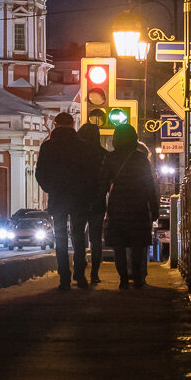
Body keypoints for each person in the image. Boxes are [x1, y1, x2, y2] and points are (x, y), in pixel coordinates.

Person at [35, 111, 89, 290]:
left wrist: (51, 188)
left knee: (60, 237)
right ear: (74, 125)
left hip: (57, 198)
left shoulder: (48, 147)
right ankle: (80, 276)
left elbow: (40, 173)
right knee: (79, 236)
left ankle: (64, 277)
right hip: (79, 198)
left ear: (55, 125)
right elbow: (89, 174)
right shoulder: (82, 147)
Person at [103, 123, 156, 289]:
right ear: (134, 139)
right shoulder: (140, 159)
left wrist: (101, 205)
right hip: (138, 206)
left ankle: (123, 279)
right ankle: (138, 278)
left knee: (119, 245)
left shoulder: (110, 158)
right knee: (137, 244)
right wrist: (154, 209)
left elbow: (103, 184)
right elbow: (149, 186)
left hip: (117, 205)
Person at [76, 122, 109, 285]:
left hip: (78, 202)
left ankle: (79, 271)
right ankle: (94, 273)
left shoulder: (76, 155)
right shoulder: (103, 154)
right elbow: (106, 181)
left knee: (78, 237)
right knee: (96, 239)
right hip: (97, 202)